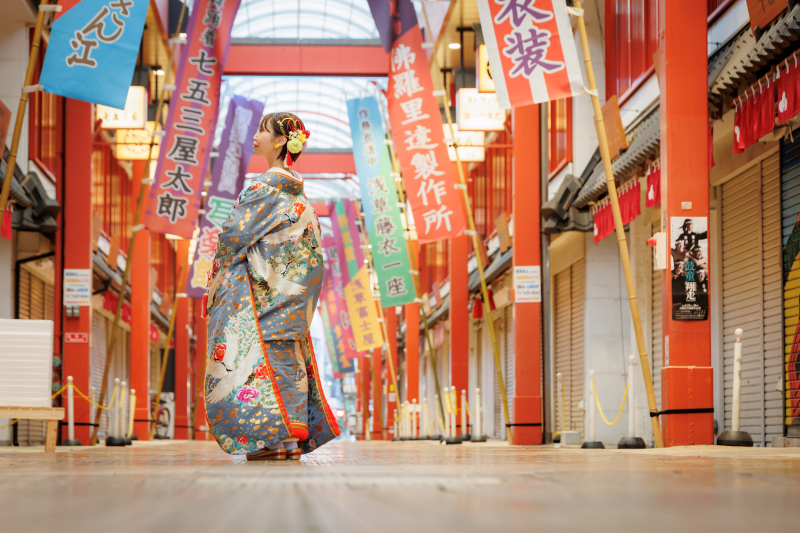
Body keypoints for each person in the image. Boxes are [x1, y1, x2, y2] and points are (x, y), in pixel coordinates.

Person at [203, 112, 340, 460]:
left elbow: (232, 236)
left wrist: (217, 281)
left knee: (261, 363)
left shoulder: (265, 189)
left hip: (264, 298)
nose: (255, 135)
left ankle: (272, 440)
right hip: (292, 300)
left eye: (262, 130)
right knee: (286, 361)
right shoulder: (299, 198)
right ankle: (289, 442)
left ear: (280, 141)